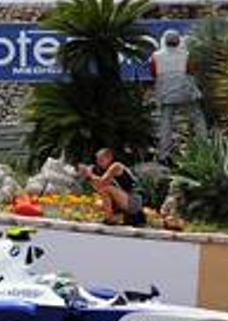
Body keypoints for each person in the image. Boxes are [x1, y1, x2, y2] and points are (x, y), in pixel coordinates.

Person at [148, 29, 204, 160]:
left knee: (166, 123)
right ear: (179, 41)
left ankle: (164, 155)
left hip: (166, 93)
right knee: (197, 118)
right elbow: (192, 70)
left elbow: (153, 73)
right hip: (185, 92)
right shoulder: (187, 55)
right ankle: (205, 148)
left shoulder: (155, 56)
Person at [80, 148, 145, 226]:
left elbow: (102, 182)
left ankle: (110, 218)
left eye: (101, 160)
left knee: (106, 188)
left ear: (109, 158)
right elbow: (98, 188)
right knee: (97, 202)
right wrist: (88, 177)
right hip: (123, 199)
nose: (98, 163)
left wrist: (89, 175)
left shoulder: (116, 166)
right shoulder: (103, 170)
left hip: (133, 200)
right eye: (97, 160)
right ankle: (114, 217)